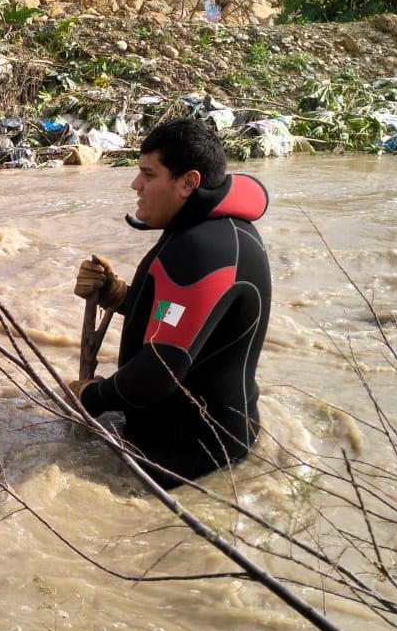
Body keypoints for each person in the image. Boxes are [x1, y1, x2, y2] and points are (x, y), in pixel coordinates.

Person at [70, 117, 271, 489]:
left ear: (188, 183)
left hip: (191, 461)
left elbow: (159, 370)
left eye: (148, 174)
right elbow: (182, 319)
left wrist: (91, 396)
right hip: (198, 440)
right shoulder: (212, 232)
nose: (135, 184)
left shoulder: (204, 249)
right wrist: (119, 295)